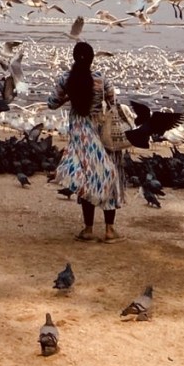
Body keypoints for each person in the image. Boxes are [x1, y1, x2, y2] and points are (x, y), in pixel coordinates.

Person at [47, 40, 126, 242]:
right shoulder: (100, 78)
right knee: (107, 174)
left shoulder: (66, 79)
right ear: (92, 59)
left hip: (80, 133)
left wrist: (68, 97)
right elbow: (113, 103)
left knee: (86, 178)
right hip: (101, 132)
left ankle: (88, 229)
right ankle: (109, 230)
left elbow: (51, 103)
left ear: (74, 58)